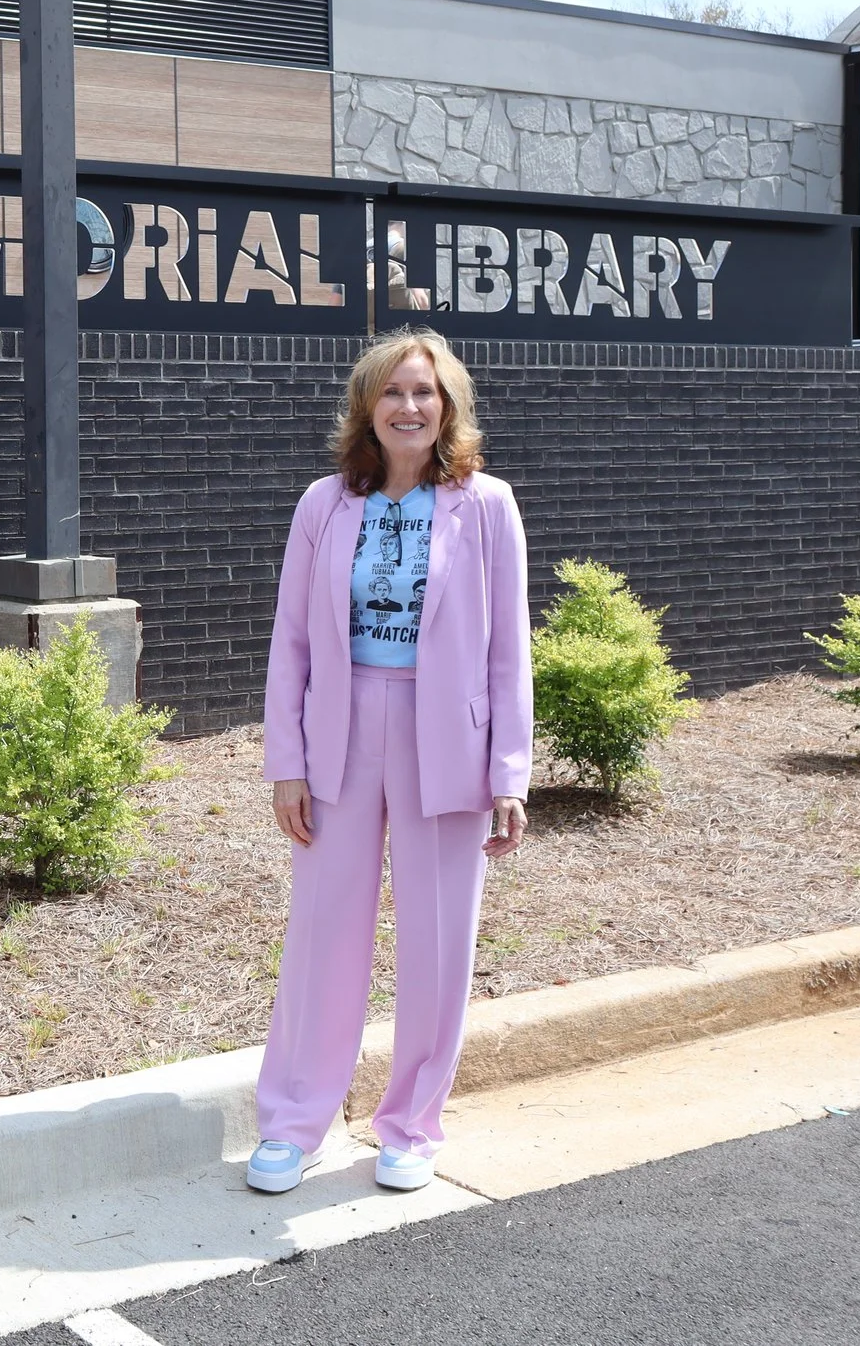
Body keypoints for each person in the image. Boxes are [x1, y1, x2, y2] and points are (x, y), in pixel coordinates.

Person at [245, 329, 530, 1195]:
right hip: (339, 729)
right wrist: (285, 761)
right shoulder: (322, 505)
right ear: (368, 406)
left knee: (439, 939)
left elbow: (508, 648)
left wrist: (510, 770)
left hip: (448, 736)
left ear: (448, 406)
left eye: (426, 391)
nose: (410, 406)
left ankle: (410, 1121)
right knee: (323, 932)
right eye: (394, 391)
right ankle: (297, 1120)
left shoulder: (487, 506)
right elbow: (290, 642)